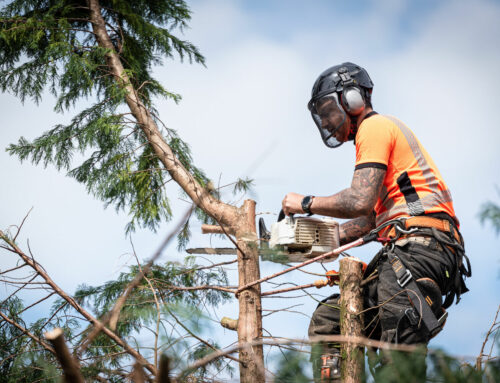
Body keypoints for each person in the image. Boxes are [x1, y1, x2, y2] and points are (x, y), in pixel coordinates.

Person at [281, 62, 471, 382]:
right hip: (411, 249)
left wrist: (305, 203)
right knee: (330, 320)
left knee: (398, 356)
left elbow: (358, 200)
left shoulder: (375, 127)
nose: (326, 120)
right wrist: (304, 240)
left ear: (353, 99)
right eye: (322, 114)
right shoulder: (382, 162)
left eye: (329, 109)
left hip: (422, 249)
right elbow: (370, 220)